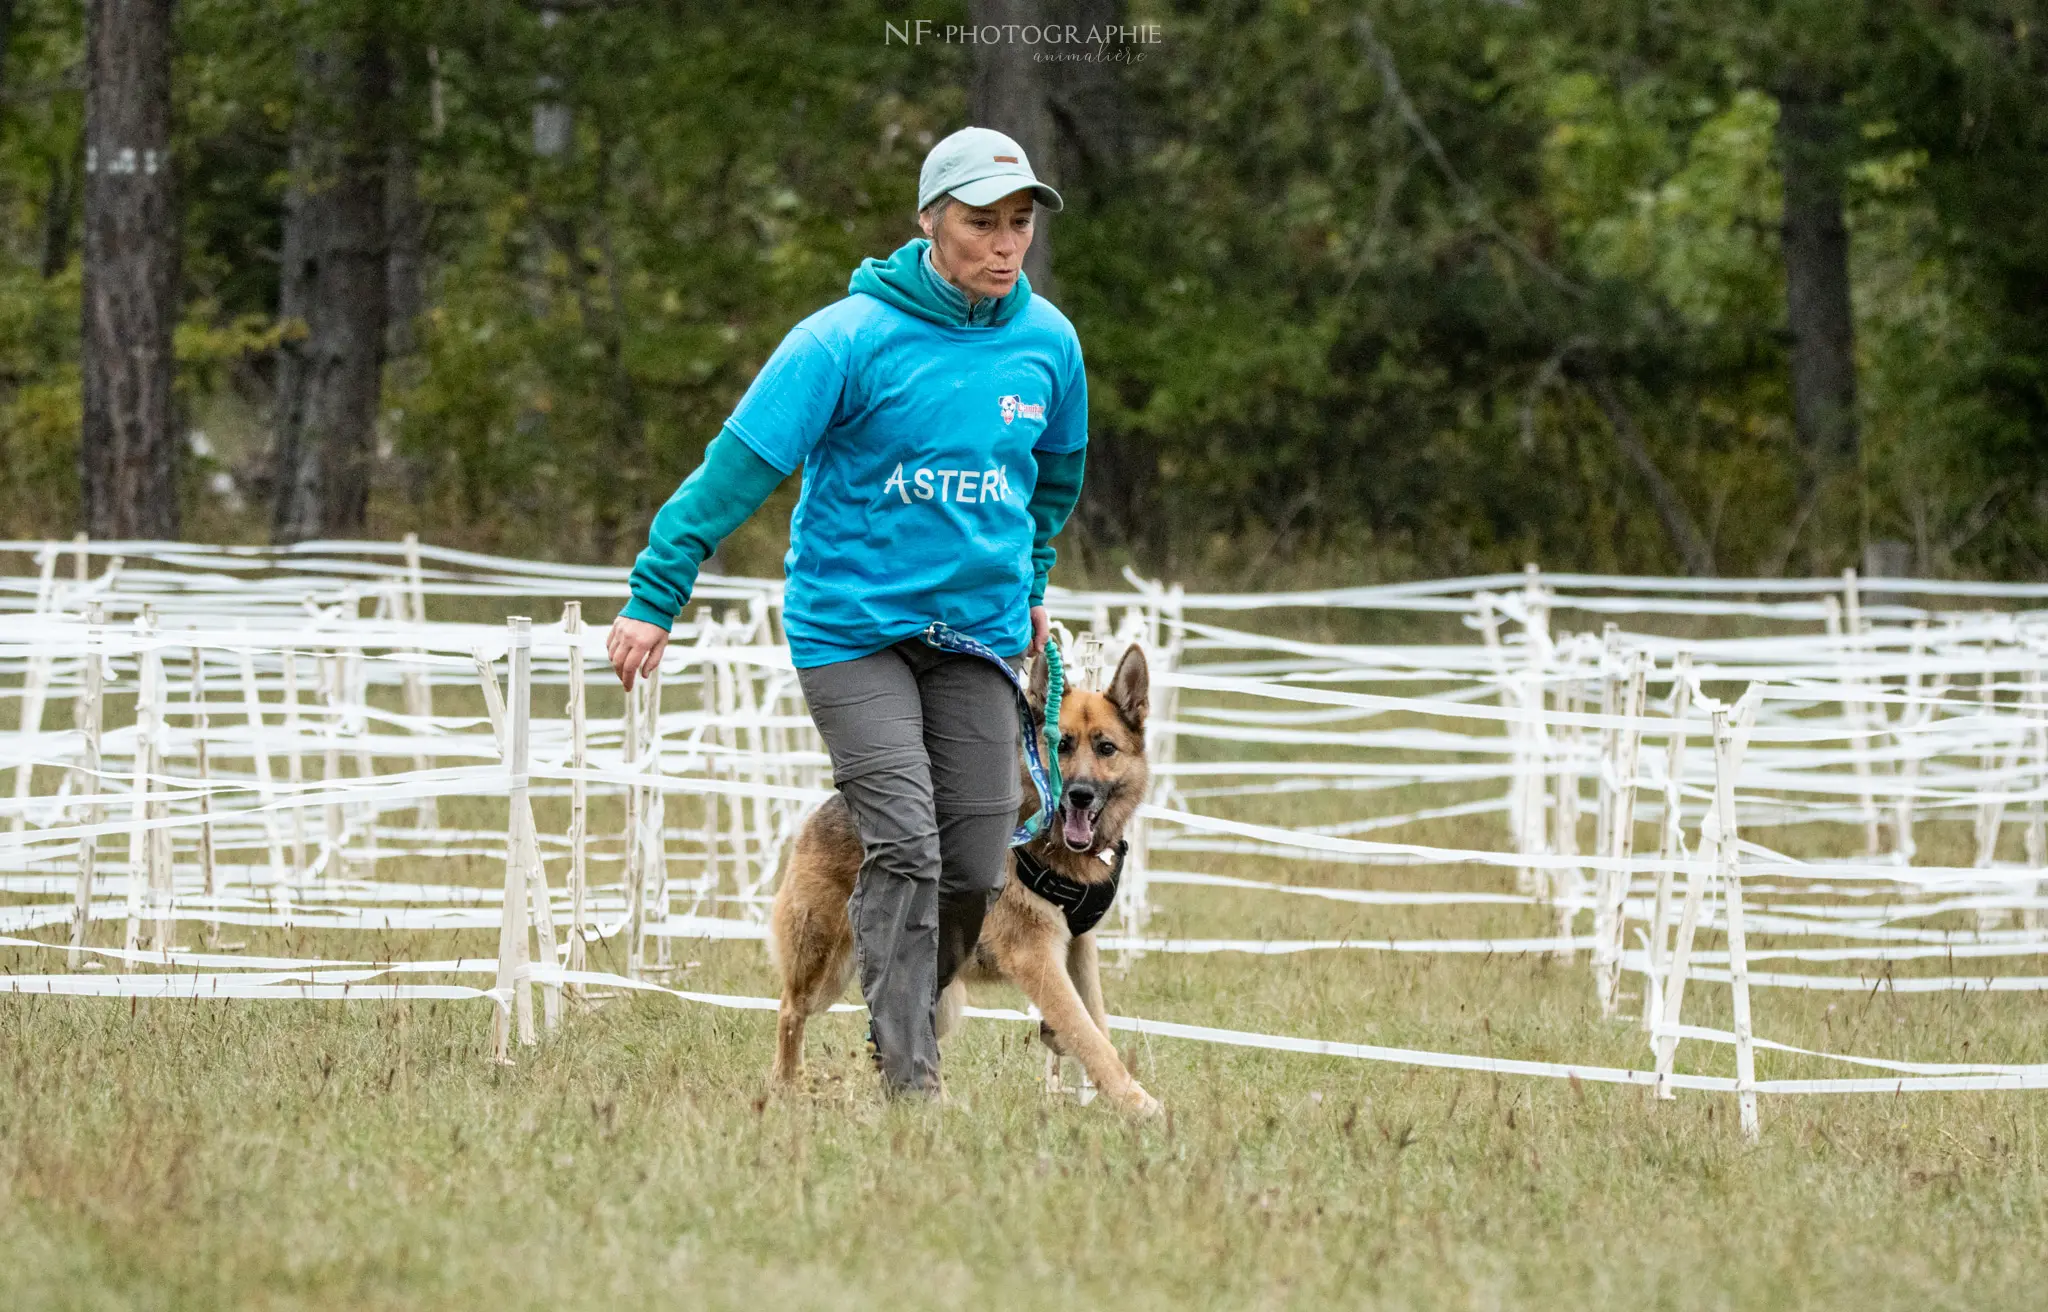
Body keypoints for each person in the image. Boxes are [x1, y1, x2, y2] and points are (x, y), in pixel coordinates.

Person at [606, 126, 1088, 1099]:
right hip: (852, 631)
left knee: (975, 845)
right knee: (902, 836)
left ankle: (900, 1005)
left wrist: (1029, 580)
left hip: (977, 635)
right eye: (979, 223)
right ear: (928, 221)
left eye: (1018, 224)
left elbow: (1054, 475)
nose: (1003, 244)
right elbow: (738, 467)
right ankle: (908, 1064)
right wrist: (657, 591)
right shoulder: (843, 338)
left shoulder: (1048, 344)